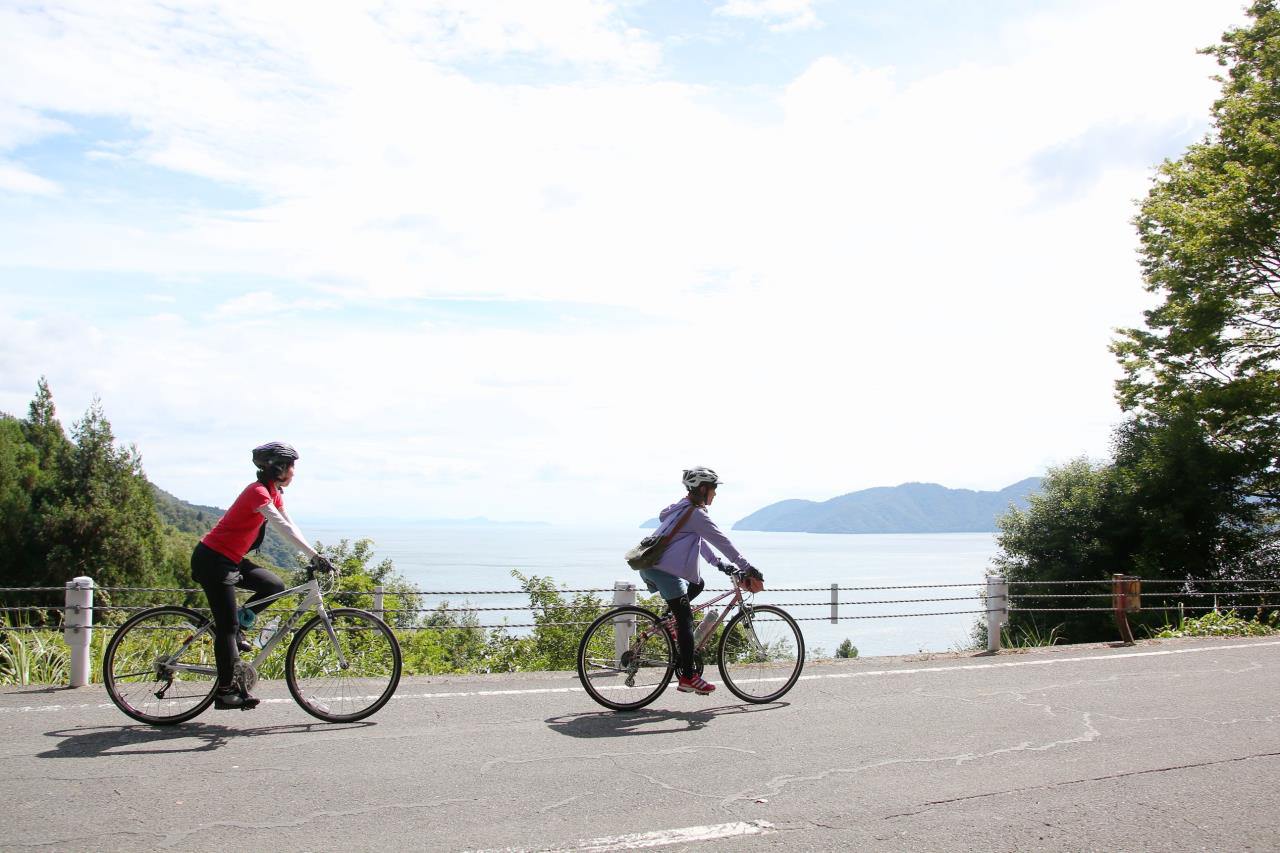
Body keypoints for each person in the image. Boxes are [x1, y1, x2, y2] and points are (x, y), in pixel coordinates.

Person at [191, 442, 334, 710]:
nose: (293, 472)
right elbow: (281, 527)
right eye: (291, 466)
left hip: (230, 559)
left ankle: (239, 629)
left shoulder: (273, 492)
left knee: (274, 585)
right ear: (278, 467)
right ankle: (225, 692)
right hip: (212, 560)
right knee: (226, 627)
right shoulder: (257, 493)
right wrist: (315, 556)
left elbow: (290, 524)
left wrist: (315, 554)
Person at [638, 467, 764, 695]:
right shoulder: (696, 514)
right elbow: (721, 540)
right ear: (704, 489)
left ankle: (669, 619)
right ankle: (688, 677)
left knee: (698, 584)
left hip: (651, 568)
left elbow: (700, 542)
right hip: (664, 572)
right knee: (686, 619)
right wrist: (747, 567)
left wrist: (718, 564)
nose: (715, 494)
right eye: (714, 489)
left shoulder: (684, 509)